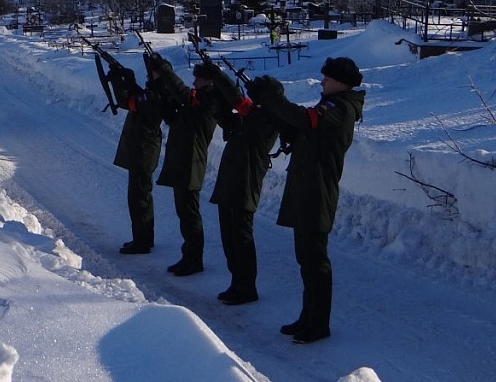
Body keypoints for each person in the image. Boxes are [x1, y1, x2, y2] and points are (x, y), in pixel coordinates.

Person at [246, 57, 365, 344]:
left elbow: (306, 119)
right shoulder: (333, 106)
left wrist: (275, 101)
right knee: (306, 260)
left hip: (318, 192)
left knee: (315, 261)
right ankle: (308, 316)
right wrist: (273, 110)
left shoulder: (342, 107)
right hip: (307, 189)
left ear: (340, 82)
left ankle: (319, 323)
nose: (322, 82)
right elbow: (302, 129)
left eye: (327, 78)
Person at [147, 55, 234, 276]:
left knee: (189, 212)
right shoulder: (201, 98)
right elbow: (175, 102)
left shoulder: (211, 101)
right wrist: (158, 80)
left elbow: (184, 96)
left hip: (191, 161)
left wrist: (166, 71)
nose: (194, 83)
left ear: (209, 82)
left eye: (198, 79)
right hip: (183, 159)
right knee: (184, 211)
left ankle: (194, 259)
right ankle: (190, 256)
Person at [209, 74, 280, 305]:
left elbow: (239, 101)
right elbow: (228, 116)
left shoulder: (267, 118)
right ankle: (237, 282)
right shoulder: (254, 116)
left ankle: (246, 286)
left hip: (245, 181)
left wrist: (219, 77)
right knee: (229, 236)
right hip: (231, 180)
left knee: (241, 235)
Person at [110, 65, 166, 255]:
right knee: (141, 197)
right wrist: (129, 80)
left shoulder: (156, 97)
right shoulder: (155, 93)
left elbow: (128, 102)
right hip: (142, 153)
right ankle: (144, 238)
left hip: (143, 154)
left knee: (139, 199)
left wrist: (118, 81)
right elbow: (138, 95)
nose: (150, 74)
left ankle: (142, 241)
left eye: (154, 72)